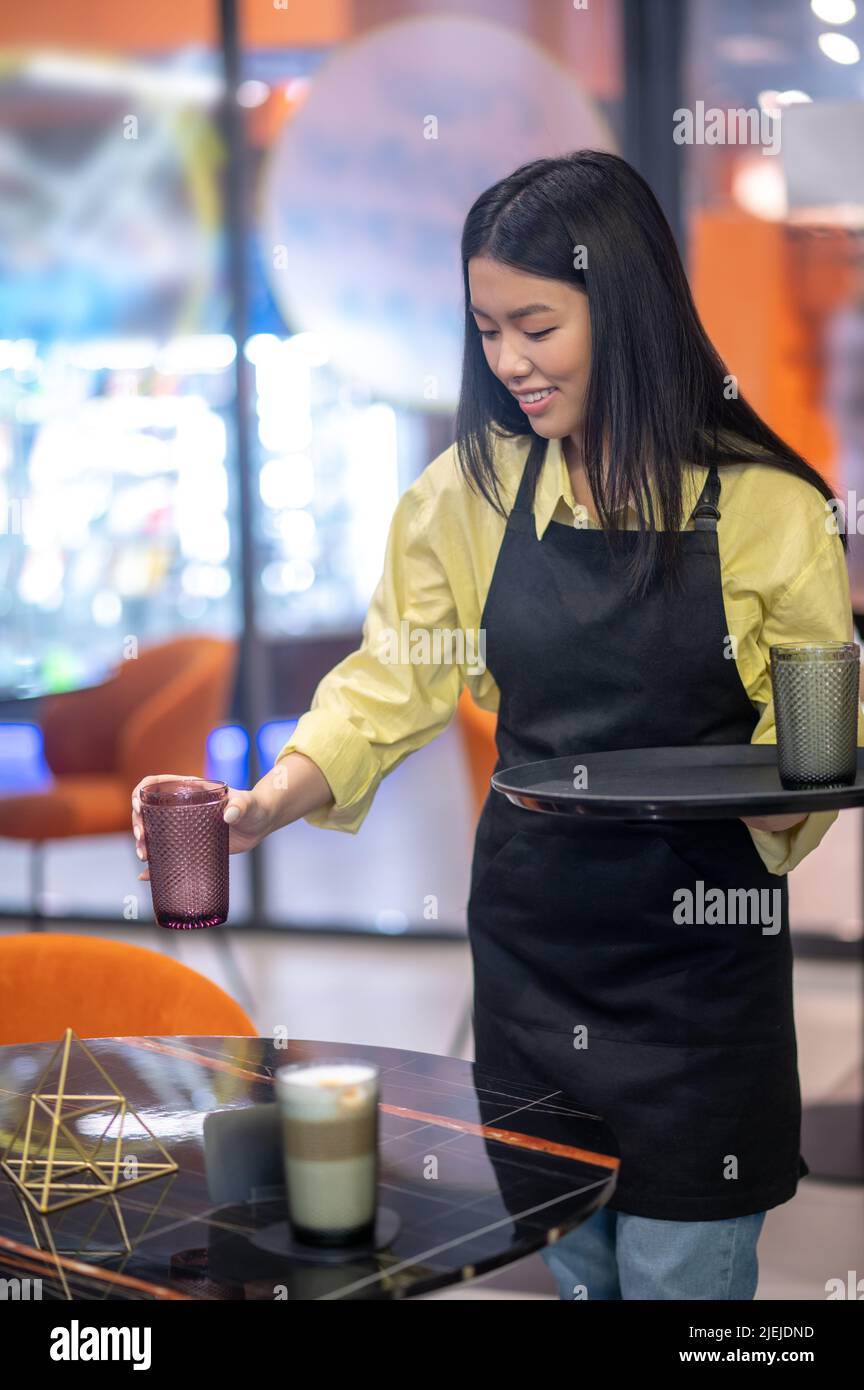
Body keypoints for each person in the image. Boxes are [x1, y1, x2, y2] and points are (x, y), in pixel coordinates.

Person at [131, 151, 859, 1300]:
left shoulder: (772, 509)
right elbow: (391, 680)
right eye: (486, 330)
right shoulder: (466, 495)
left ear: (622, 310)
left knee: (684, 1277)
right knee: (568, 1265)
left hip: (698, 963)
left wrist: (797, 792)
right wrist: (266, 801)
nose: (509, 362)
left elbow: (813, 746)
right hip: (536, 945)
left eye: (536, 325)